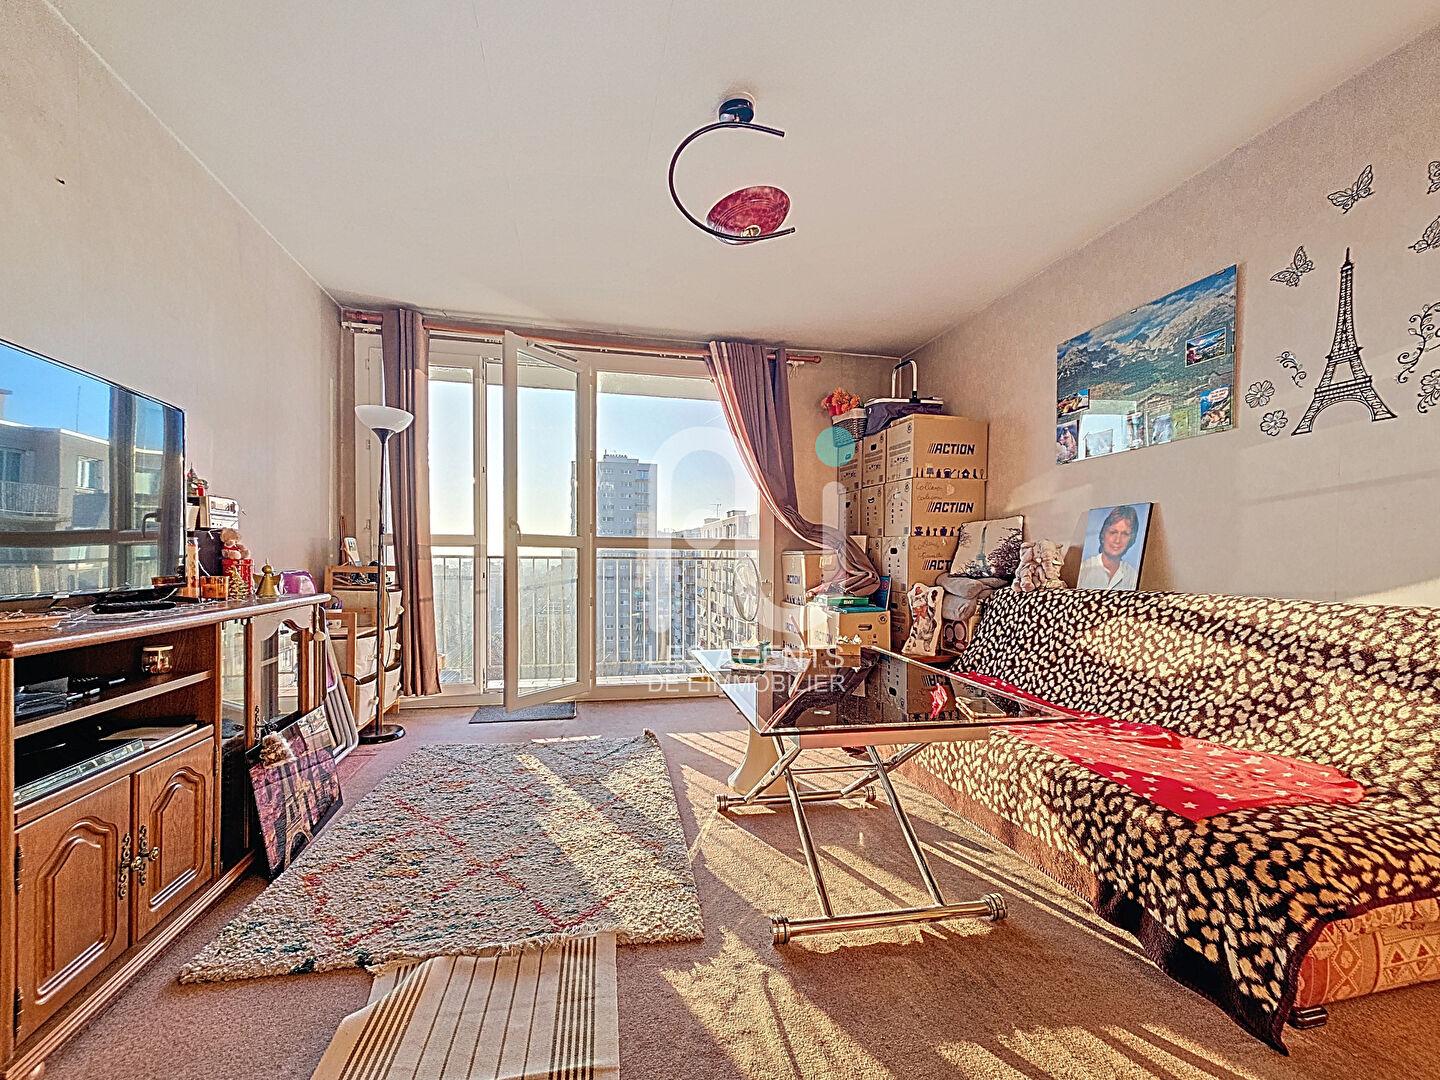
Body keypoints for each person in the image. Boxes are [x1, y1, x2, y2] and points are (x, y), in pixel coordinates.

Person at [1077, 505, 1142, 590]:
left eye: (1124, 534)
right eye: (1113, 532)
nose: (1117, 540)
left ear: (1131, 539)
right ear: (1103, 534)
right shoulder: (1083, 569)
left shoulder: (1133, 576)